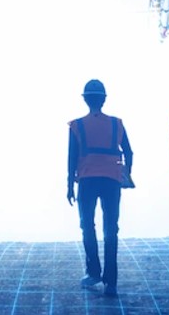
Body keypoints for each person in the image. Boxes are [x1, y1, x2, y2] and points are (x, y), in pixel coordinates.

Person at [67, 79, 133, 298]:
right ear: (104, 99)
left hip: (86, 180)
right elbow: (129, 152)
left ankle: (93, 272)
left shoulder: (77, 125)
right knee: (110, 229)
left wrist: (69, 185)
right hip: (112, 181)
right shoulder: (117, 124)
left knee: (88, 226)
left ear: (85, 100)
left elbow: (71, 158)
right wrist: (126, 173)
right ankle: (111, 282)